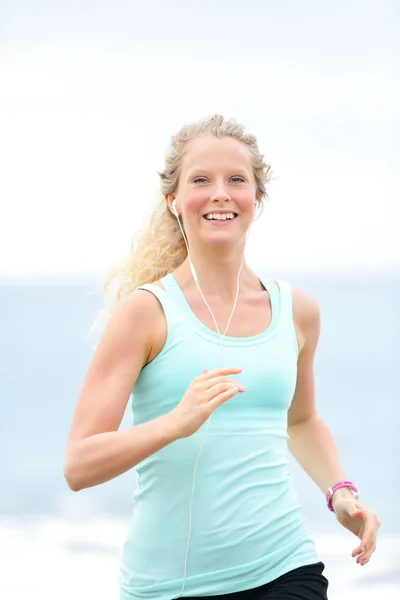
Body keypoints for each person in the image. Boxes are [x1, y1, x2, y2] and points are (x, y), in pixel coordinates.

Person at [63, 114, 381, 600]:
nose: (220, 193)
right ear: (173, 202)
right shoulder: (145, 313)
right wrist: (175, 423)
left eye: (237, 180)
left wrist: (340, 492)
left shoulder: (297, 311)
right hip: (166, 586)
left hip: (284, 567)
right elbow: (79, 465)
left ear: (256, 200)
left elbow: (302, 421)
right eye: (200, 180)